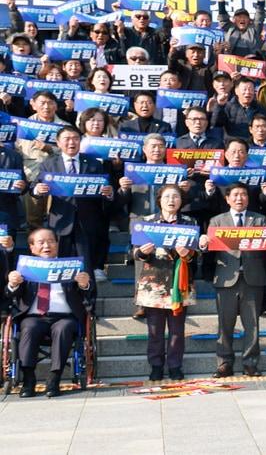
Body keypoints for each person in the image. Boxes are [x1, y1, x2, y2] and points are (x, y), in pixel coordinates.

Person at [200, 182, 266, 377]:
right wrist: (204, 245)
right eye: (235, 195)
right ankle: (224, 362)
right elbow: (208, 251)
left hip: (253, 277)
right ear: (227, 199)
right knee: (225, 324)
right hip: (226, 278)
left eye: (243, 194)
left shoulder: (259, 220)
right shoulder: (217, 221)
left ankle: (250, 362)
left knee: (252, 324)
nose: (239, 198)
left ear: (248, 198)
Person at [5, 228, 91, 398]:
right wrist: (13, 284)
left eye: (51, 241)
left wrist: (84, 284)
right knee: (28, 328)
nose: (46, 245)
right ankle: (28, 379)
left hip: (64, 316)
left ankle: (54, 379)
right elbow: (11, 294)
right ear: (31, 247)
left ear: (57, 244)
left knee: (63, 328)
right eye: (41, 242)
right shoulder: (25, 268)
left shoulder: (70, 267)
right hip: (33, 316)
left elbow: (88, 294)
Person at [131, 184, 200, 381]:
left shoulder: (189, 222)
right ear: (159, 200)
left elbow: (195, 254)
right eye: (167, 197)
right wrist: (142, 252)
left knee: (178, 331)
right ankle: (156, 366)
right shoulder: (147, 222)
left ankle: (175, 366)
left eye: (176, 197)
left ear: (181, 201)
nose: (171, 201)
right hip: (154, 283)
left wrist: (188, 254)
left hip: (179, 282)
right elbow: (134, 253)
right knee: (155, 330)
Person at [32, 126, 116, 285]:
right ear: (58, 142)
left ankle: (88, 306)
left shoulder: (94, 164)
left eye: (75, 139)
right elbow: (34, 188)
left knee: (87, 268)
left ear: (80, 141)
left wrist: (109, 192)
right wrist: (38, 189)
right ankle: (64, 303)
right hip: (60, 221)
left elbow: (108, 192)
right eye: (67, 139)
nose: (71, 142)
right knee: (61, 267)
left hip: (88, 222)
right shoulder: (49, 164)